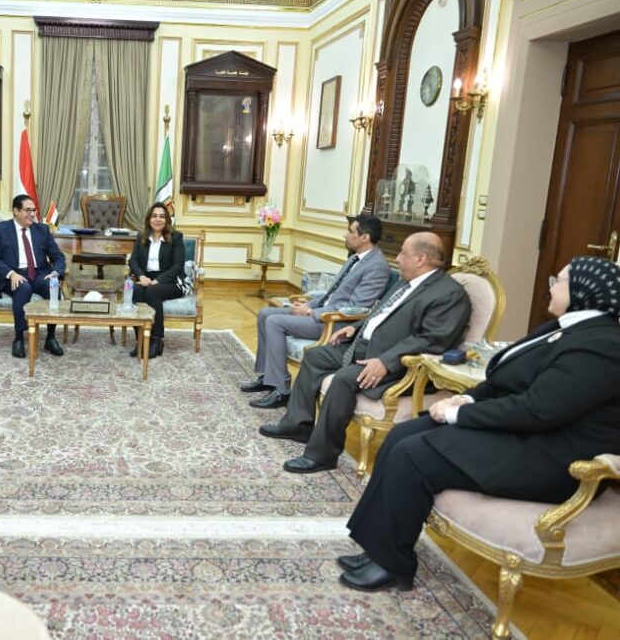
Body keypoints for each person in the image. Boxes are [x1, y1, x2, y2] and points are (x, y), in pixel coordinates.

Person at [339, 257, 620, 592]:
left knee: (414, 454)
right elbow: (506, 380)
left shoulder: (603, 344)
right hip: (525, 431)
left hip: (556, 457)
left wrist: (459, 415)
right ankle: (378, 547)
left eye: (557, 281)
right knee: (403, 433)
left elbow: (540, 409)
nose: (550, 287)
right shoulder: (565, 328)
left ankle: (392, 564)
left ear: (583, 289)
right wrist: (467, 399)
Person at [260, 232, 471, 474]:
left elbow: (432, 340)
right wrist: (355, 327)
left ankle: (322, 455)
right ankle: (298, 425)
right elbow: (379, 314)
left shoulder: (448, 294)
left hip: (394, 362)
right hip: (363, 346)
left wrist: (386, 362)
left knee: (343, 380)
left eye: (403, 253)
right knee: (315, 356)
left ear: (421, 259)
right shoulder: (406, 282)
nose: (398, 258)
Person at [243, 215, 390, 408]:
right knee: (265, 314)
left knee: (274, 322)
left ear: (365, 237)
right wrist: (309, 306)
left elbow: (357, 306)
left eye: (350, 231)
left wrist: (311, 313)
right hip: (321, 312)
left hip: (335, 323)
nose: (345, 235)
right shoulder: (355, 258)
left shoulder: (377, 266)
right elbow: (334, 294)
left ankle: (282, 390)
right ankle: (269, 377)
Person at [0, 194, 66, 358]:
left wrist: (55, 273)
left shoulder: (42, 230)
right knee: (23, 287)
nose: (32, 214)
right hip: (14, 275)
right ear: (16, 211)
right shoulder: (2, 229)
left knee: (52, 286)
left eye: (33, 210)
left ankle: (50, 337)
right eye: (27, 210)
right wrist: (11, 274)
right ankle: (19, 338)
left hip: (39, 274)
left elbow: (58, 257)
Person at [126, 203, 186, 359]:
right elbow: (133, 261)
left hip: (172, 281)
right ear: (149, 219)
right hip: (147, 278)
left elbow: (178, 265)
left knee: (153, 291)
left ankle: (156, 340)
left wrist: (158, 280)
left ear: (167, 220)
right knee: (136, 291)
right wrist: (141, 277)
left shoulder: (176, 237)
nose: (158, 219)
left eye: (162, 216)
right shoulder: (141, 237)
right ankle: (141, 338)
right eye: (154, 216)